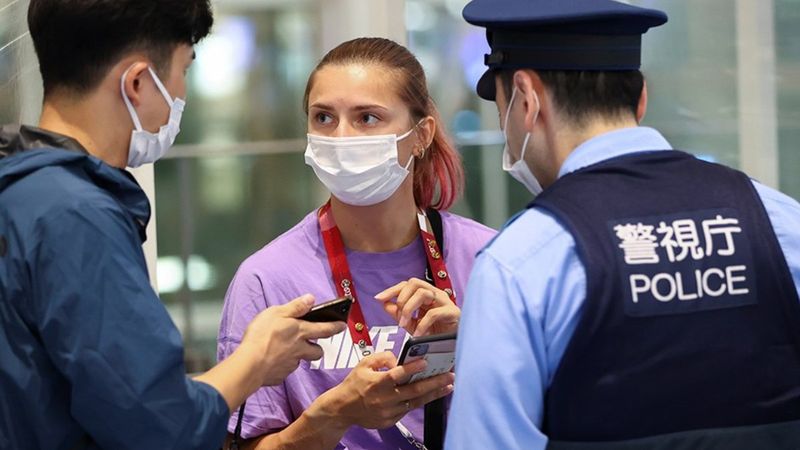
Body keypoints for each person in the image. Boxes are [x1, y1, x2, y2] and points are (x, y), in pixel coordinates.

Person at [446, 1, 800, 449]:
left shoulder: (521, 264)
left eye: (502, 108)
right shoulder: (777, 220)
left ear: (527, 98)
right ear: (642, 96)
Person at [0, 1, 345, 448]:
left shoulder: (21, 188)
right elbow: (157, 427)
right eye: (183, 71)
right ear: (138, 82)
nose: (181, 94)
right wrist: (258, 357)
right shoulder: (78, 216)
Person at [217, 37, 496, 450]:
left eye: (367, 118)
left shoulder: (488, 259)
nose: (342, 138)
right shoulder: (265, 279)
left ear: (421, 136)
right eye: (324, 118)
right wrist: (336, 414)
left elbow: (549, 411)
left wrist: (477, 343)